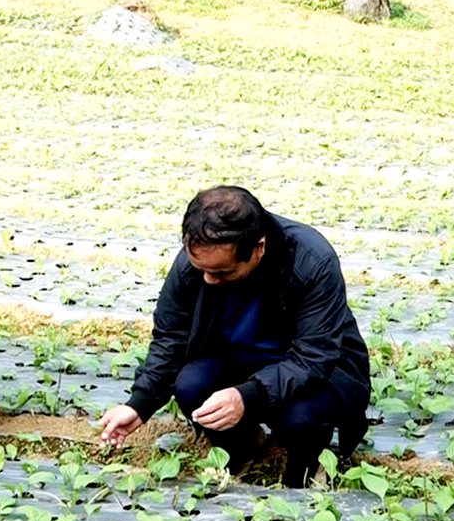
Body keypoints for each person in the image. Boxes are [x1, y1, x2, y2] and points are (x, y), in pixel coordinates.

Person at [99, 186, 370, 487]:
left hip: (318, 373)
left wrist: (247, 396)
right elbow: (171, 337)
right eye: (201, 268)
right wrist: (140, 404)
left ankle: (305, 470)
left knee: (299, 420)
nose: (209, 280)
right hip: (241, 360)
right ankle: (242, 448)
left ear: (259, 248)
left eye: (222, 273)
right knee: (191, 386)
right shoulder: (202, 260)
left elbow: (314, 357)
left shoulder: (311, 261)